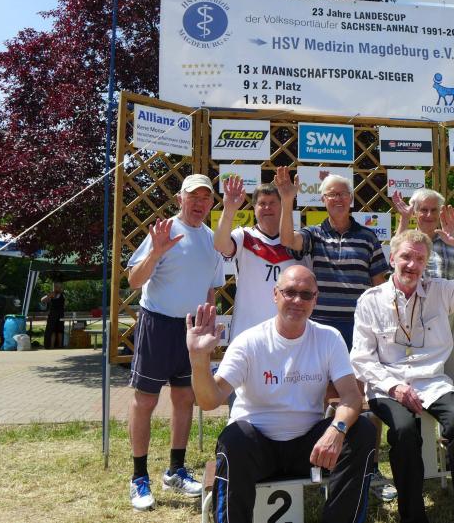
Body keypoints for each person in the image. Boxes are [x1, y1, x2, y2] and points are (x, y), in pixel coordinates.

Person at [188, 266, 375, 523]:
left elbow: (351, 396)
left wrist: (336, 430)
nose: (298, 301)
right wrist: (199, 359)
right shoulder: (249, 341)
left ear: (315, 300)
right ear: (275, 294)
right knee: (234, 438)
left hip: (309, 448)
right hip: (256, 447)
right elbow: (209, 401)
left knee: (362, 431)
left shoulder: (329, 338)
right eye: (290, 292)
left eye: (306, 295)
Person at [350, 207, 454, 523]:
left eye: (420, 259)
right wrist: (395, 387)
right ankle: (412, 516)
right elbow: (361, 357)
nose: (412, 265)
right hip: (388, 384)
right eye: (406, 257)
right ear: (392, 259)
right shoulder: (370, 300)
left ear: (427, 263)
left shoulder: (440, 291)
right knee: (403, 431)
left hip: (432, 382)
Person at [125, 174, 225, 511]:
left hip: (191, 329)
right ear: (180, 198)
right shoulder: (164, 230)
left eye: (205, 198)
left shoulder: (212, 239)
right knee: (145, 400)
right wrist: (155, 253)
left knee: (184, 398)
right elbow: (134, 280)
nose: (199, 203)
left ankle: (176, 470)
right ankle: (139, 477)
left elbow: (210, 288)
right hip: (157, 324)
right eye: (193, 196)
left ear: (211, 204)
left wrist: (207, 324)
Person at [275, 166, 388, 350]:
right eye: (332, 194)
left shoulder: (368, 237)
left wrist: (382, 318)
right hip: (320, 323)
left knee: (356, 370)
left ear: (351, 198)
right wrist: (287, 200)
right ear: (323, 199)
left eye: (343, 194)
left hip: (359, 322)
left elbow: (379, 283)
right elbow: (287, 240)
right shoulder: (314, 234)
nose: (338, 199)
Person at [392, 188, 454, 397]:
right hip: (415, 319)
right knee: (417, 382)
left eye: (433, 210)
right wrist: (404, 219)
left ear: (440, 212)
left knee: (453, 381)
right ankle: (420, 420)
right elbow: (395, 255)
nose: (429, 215)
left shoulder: (452, 240)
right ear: (415, 212)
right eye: (423, 210)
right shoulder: (408, 240)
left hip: (452, 318)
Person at [213, 176, 306, 343]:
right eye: (262, 203)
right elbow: (220, 245)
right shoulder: (244, 236)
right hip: (246, 334)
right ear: (254, 208)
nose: (267, 207)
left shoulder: (298, 241)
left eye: (272, 203)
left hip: (288, 335)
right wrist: (229, 209)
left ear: (282, 205)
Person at [41, 281, 65, 349]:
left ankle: (60, 345)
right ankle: (51, 346)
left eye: (59, 287)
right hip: (52, 315)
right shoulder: (52, 294)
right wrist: (49, 296)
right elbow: (42, 300)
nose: (58, 288)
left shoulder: (63, 295)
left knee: (60, 330)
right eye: (56, 287)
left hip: (60, 314)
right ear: (54, 287)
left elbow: (64, 304)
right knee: (52, 330)